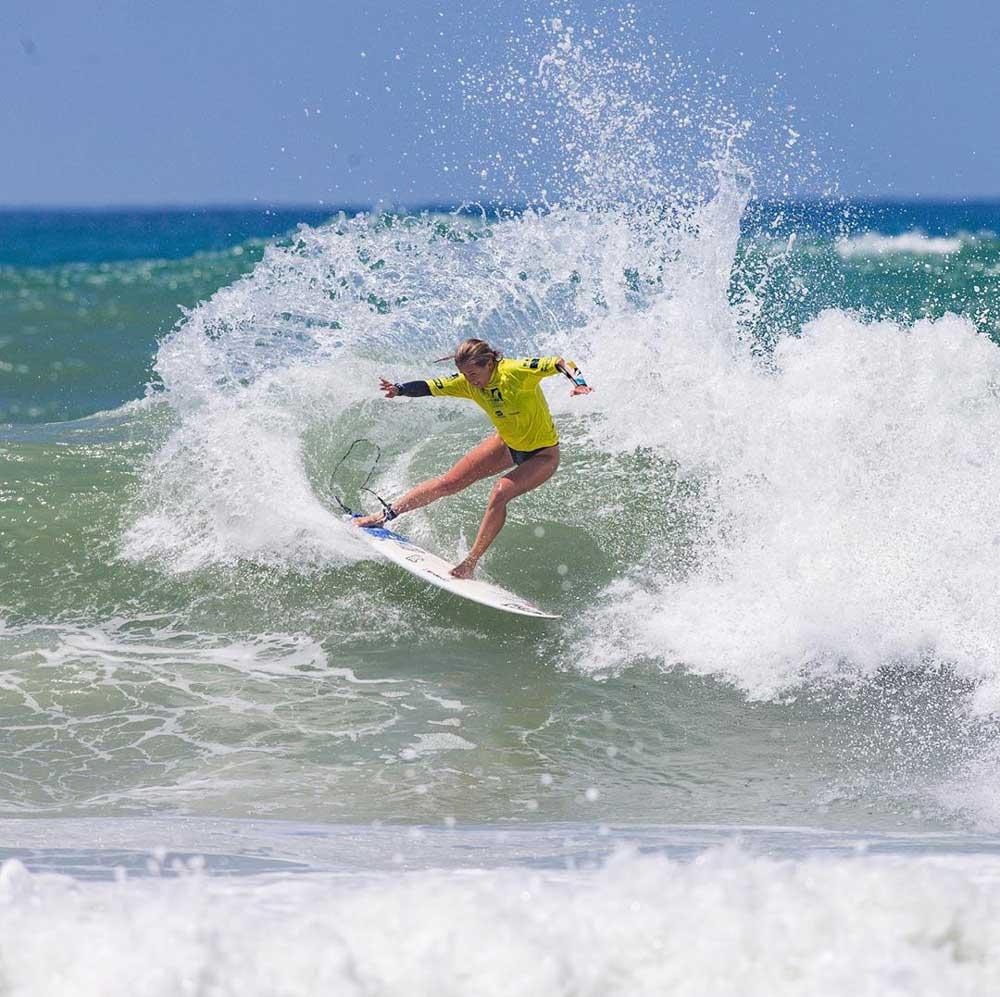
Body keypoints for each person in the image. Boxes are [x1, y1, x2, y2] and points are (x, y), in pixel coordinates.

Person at [354, 338, 592, 578]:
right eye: (463, 374)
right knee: (449, 483)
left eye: (472, 373)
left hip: (543, 454)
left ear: (489, 363)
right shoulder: (469, 383)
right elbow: (431, 386)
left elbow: (562, 362)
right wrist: (400, 389)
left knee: (500, 492)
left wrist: (579, 384)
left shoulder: (516, 372)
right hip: (507, 444)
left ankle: (469, 564)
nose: (469, 380)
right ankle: (383, 517)